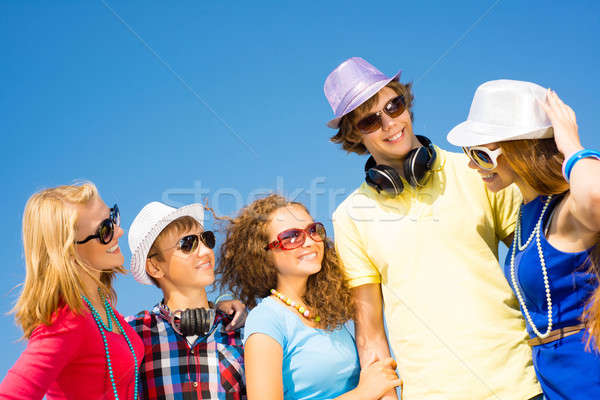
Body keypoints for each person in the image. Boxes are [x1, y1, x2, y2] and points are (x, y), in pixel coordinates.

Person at [324, 57, 542, 399]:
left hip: (519, 384)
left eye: (393, 106)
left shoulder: (477, 171)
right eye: (370, 119)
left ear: (405, 104)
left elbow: (541, 259)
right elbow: (371, 336)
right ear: (353, 134)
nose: (389, 123)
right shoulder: (350, 216)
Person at [447, 79, 600, 398]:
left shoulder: (566, 209)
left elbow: (596, 196)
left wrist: (571, 146)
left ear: (520, 149)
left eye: (482, 154)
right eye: (468, 153)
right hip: (556, 383)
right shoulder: (526, 212)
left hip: (587, 376)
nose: (473, 165)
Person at [216, 194, 402, 400]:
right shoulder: (266, 319)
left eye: (313, 231)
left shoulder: (327, 313)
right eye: (291, 237)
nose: (309, 242)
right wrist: (363, 393)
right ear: (263, 254)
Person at [0, 182, 143, 400]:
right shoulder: (67, 320)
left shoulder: (101, 306)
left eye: (113, 217)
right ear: (69, 252)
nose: (119, 231)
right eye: (105, 229)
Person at [127, 201, 247, 399]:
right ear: (155, 266)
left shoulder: (239, 329)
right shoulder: (133, 334)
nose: (206, 251)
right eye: (187, 244)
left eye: (206, 240)